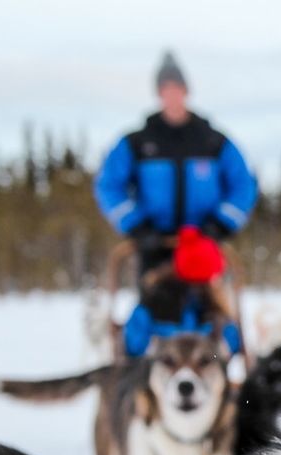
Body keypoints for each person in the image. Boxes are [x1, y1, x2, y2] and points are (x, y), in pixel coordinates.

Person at [95, 52, 256, 357]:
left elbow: (243, 185)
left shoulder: (212, 141)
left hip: (204, 244)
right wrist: (137, 226)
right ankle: (139, 375)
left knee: (213, 314)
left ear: (186, 91)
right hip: (155, 245)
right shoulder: (138, 142)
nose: (172, 94)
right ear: (159, 93)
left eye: (176, 87)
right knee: (154, 311)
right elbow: (108, 186)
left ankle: (221, 371)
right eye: (165, 88)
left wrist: (220, 224)